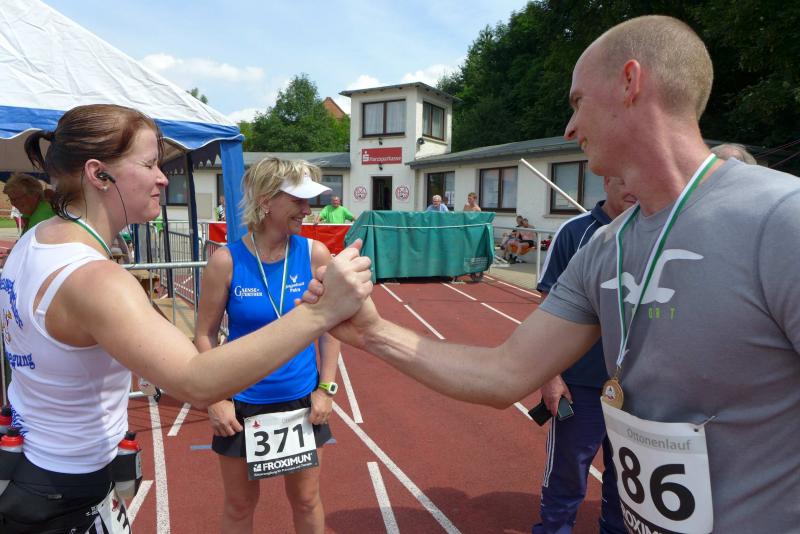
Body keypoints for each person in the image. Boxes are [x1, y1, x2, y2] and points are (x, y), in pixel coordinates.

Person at [303, 15, 800, 533]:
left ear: (630, 83)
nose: (569, 128)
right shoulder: (605, 246)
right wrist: (371, 332)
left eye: (577, 102)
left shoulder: (781, 219)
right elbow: (504, 374)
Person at [0, 104, 372, 534]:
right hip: (68, 486)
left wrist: (323, 384)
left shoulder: (33, 241)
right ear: (99, 174)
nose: (163, 178)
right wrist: (322, 312)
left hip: (36, 465)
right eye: (149, 164)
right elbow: (196, 380)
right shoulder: (97, 280)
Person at [195, 157, 340, 534]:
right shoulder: (226, 261)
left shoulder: (315, 255)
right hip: (241, 404)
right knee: (240, 505)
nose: (307, 210)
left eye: (309, 201)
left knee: (306, 500)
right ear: (265, 201)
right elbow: (204, 334)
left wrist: (326, 390)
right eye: (298, 200)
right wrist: (215, 398)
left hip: (301, 401)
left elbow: (329, 330)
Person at [532, 176, 635, 534]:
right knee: (568, 474)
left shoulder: (657, 230)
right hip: (579, 385)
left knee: (627, 481)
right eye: (623, 179)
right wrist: (550, 375)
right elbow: (546, 311)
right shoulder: (575, 232)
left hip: (638, 388)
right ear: (606, 180)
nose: (633, 188)